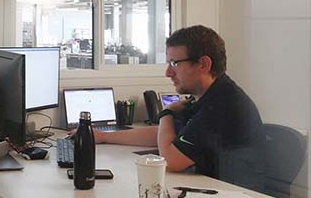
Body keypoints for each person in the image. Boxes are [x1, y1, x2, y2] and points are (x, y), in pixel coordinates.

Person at [94, 25, 263, 180]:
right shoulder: (205, 96)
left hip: (234, 197)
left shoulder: (223, 105)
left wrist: (166, 113)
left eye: (174, 63)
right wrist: (104, 137)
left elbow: (171, 161)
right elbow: (162, 135)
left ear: (203, 64)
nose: (168, 73)